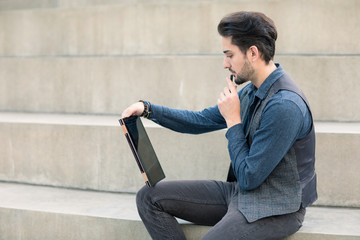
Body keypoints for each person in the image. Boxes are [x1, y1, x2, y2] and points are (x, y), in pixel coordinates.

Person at [121, 11, 317, 240]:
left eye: (229, 55)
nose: (225, 64)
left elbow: (249, 176)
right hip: (242, 194)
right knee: (149, 197)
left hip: (277, 206)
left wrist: (233, 120)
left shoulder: (285, 105)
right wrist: (148, 109)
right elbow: (201, 119)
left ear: (252, 52)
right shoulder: (253, 90)